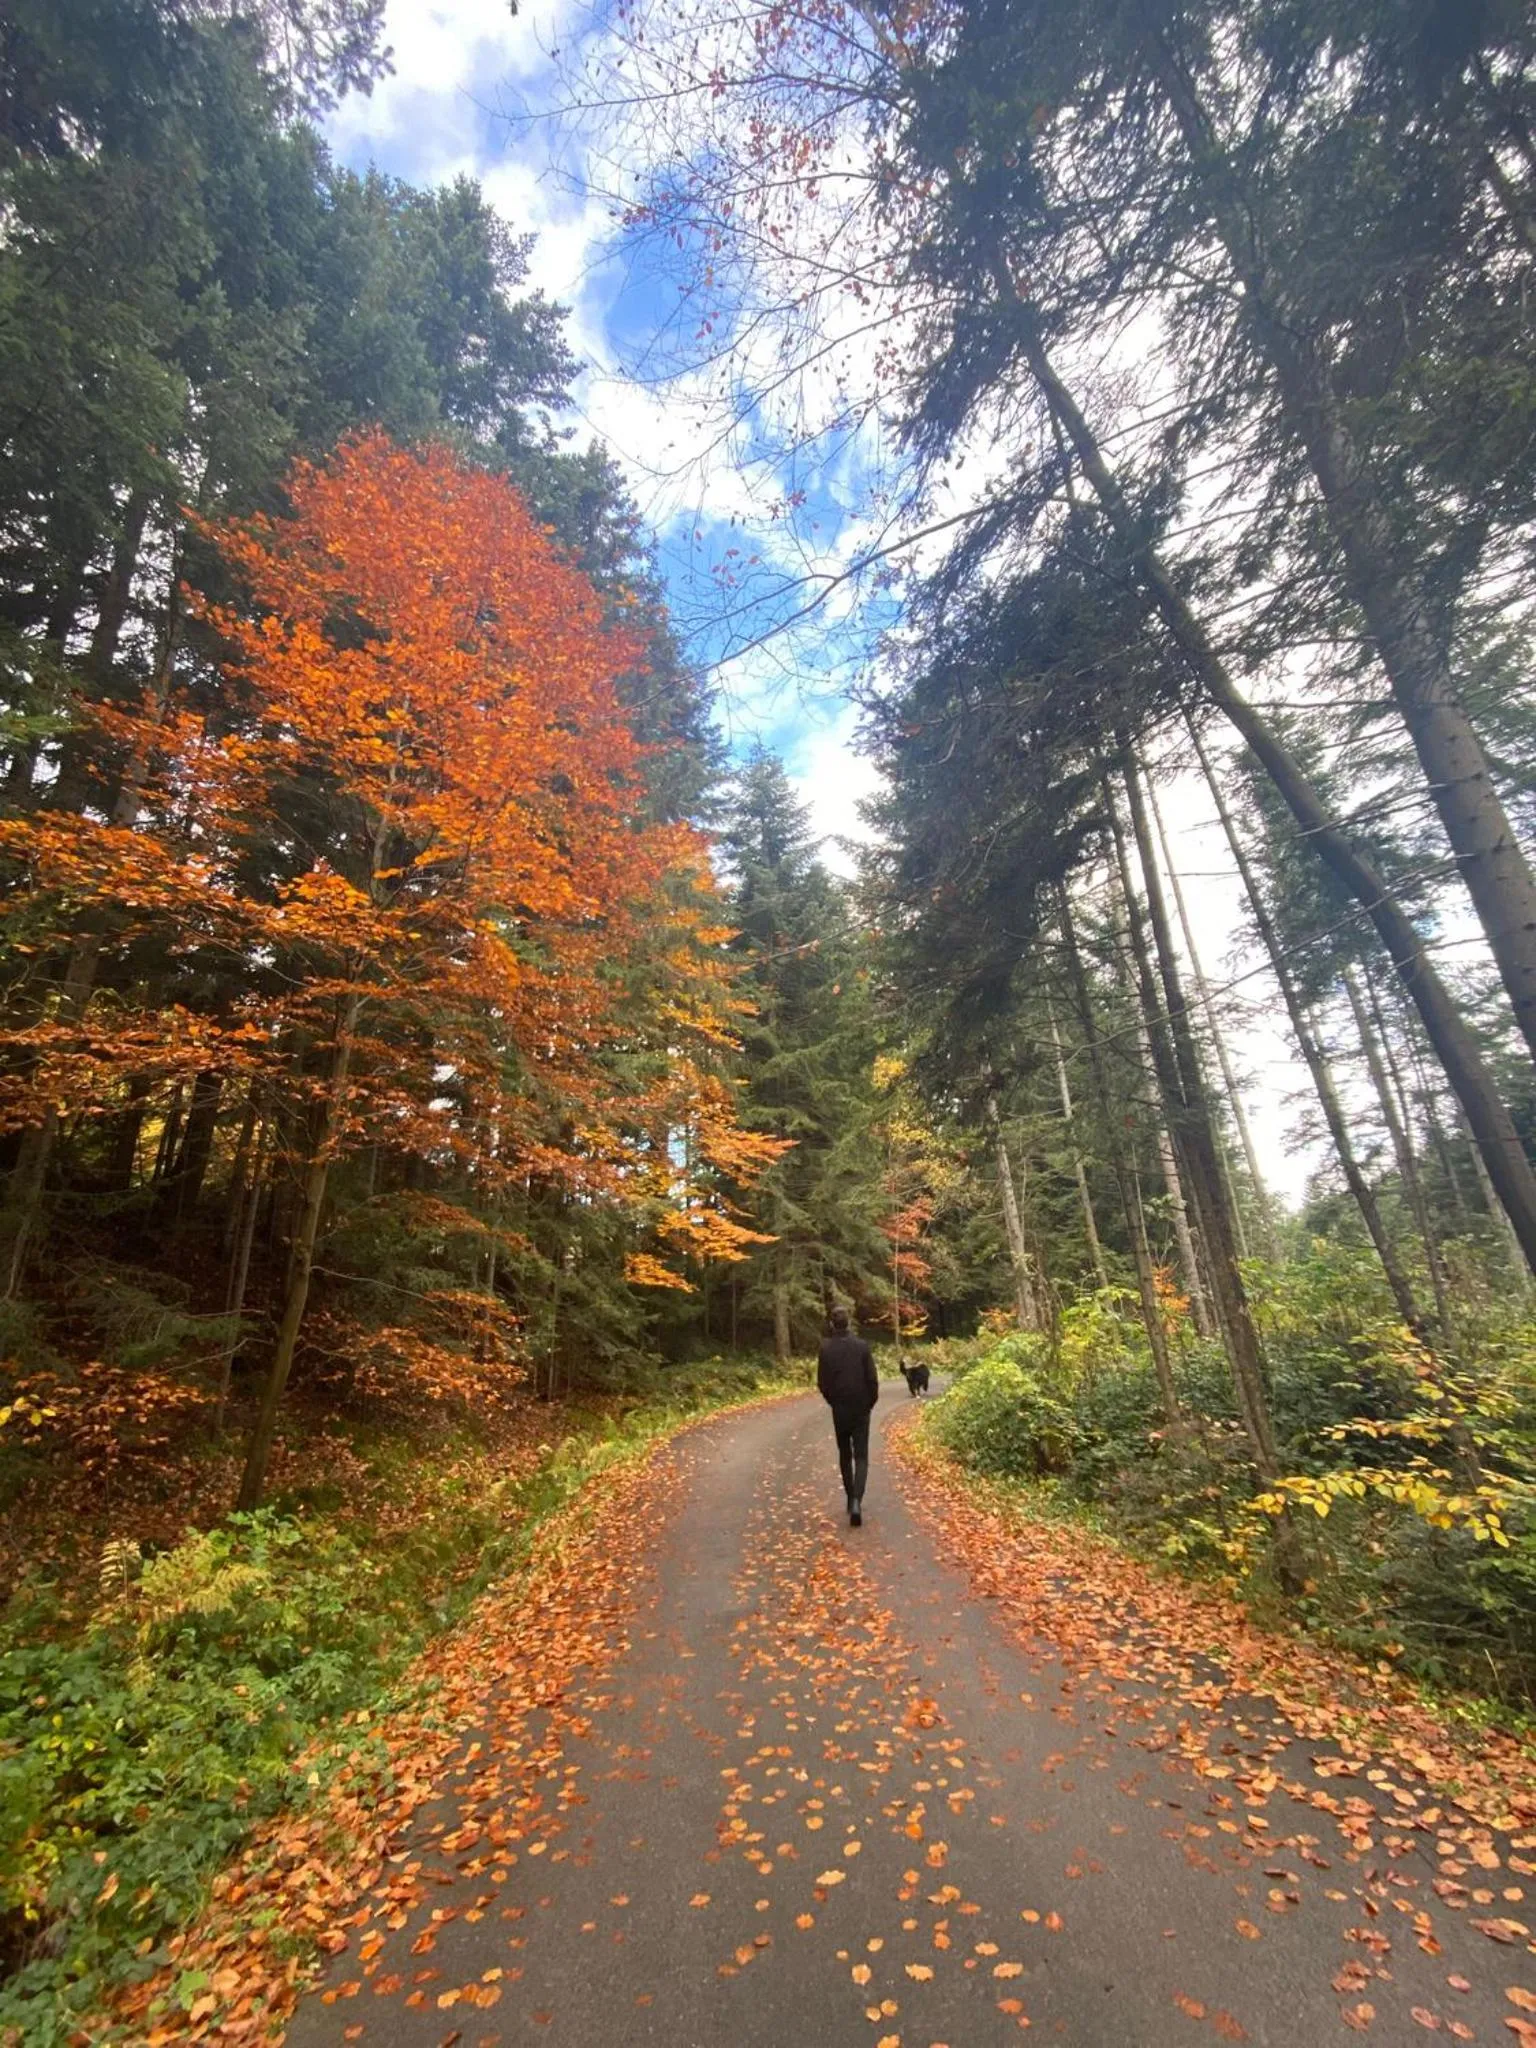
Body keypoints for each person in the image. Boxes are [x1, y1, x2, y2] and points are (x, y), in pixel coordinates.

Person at [816, 1304, 878, 1526]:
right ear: (848, 1322)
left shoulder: (825, 1349)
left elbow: (822, 1383)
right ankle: (857, 1502)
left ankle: (851, 1498)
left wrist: (833, 1401)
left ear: (832, 1324)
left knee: (844, 1455)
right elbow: (872, 1379)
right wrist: (870, 1402)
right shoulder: (862, 1346)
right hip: (861, 1407)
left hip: (840, 1408)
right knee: (861, 1456)